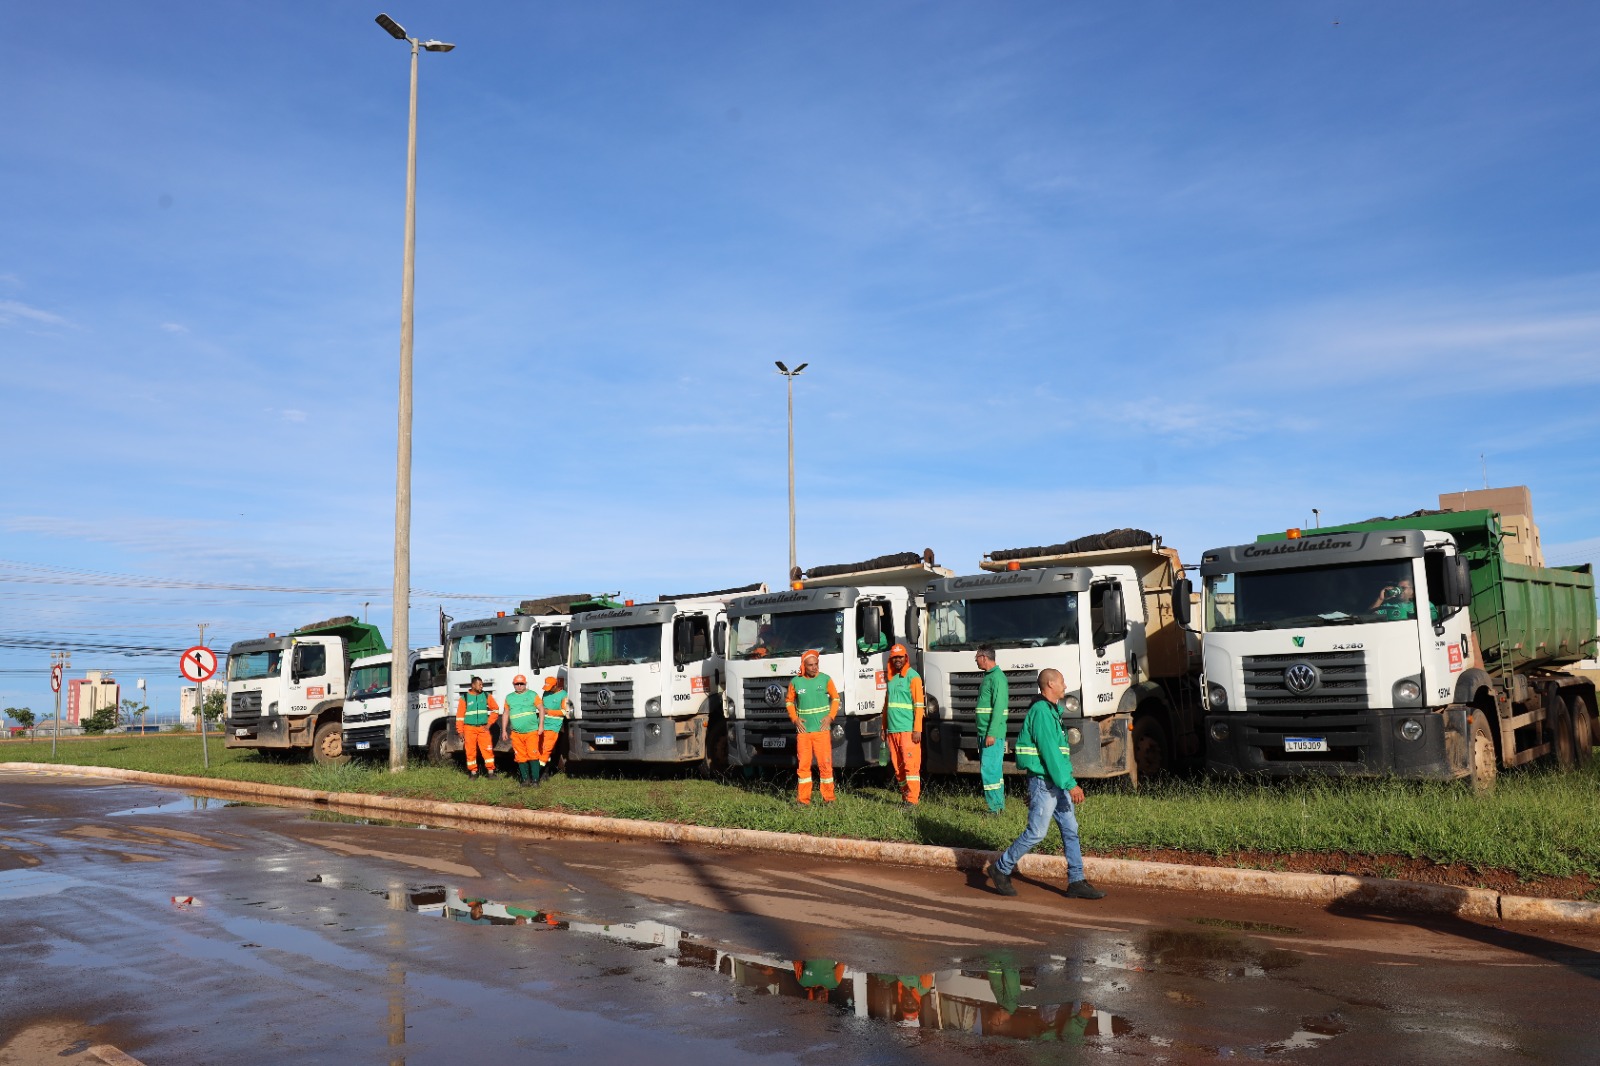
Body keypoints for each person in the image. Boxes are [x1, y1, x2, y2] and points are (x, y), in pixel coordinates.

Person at [986, 667, 1104, 900]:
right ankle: (1000, 868)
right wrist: (1070, 784)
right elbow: (1050, 754)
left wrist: (1065, 782)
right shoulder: (1041, 711)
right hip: (1045, 783)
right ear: (1050, 685)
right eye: (1061, 681)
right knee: (1037, 832)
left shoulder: (1051, 711)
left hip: (1053, 783)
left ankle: (1076, 881)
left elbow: (1058, 755)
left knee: (1071, 829)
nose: (1065, 685)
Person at [786, 649, 839, 804]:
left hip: (822, 732)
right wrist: (794, 719)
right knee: (803, 767)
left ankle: (829, 799)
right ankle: (803, 800)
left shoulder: (825, 679)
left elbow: (836, 699)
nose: (814, 667)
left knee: (825, 766)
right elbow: (789, 701)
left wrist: (830, 717)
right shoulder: (796, 682)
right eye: (810, 665)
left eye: (816, 664)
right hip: (803, 733)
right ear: (804, 665)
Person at [881, 643, 925, 804]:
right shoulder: (891, 679)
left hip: (908, 730)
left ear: (905, 658)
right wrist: (883, 727)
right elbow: (886, 705)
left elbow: (919, 705)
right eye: (894, 657)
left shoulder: (913, 677)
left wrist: (917, 729)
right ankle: (905, 797)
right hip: (892, 730)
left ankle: (912, 800)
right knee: (899, 769)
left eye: (900, 657)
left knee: (910, 767)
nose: (897, 660)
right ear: (891, 659)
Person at [974, 644, 1008, 814]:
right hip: (984, 731)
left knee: (989, 770)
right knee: (993, 769)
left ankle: (994, 808)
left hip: (990, 733)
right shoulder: (989, 676)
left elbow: (999, 707)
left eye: (977, 657)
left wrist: (992, 733)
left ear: (984, 658)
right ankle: (998, 805)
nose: (975, 660)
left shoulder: (997, 678)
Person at [455, 675, 500, 780]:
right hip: (469, 729)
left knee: (488, 750)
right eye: (479, 684)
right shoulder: (464, 698)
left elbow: (496, 710)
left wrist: (489, 724)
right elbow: (460, 716)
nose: (481, 686)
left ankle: (491, 773)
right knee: (470, 751)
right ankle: (473, 773)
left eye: (482, 684)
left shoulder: (486, 696)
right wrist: (460, 731)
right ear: (473, 685)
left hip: (483, 728)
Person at [503, 674, 542, 787]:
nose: (519, 686)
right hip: (516, 733)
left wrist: (541, 726)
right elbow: (506, 713)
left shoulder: (532, 695)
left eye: (522, 684)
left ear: (525, 684)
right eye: (517, 684)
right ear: (513, 684)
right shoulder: (509, 697)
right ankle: (525, 780)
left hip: (531, 732)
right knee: (520, 756)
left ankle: (535, 780)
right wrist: (504, 730)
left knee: (533, 755)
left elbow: (541, 709)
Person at [534, 676, 570, 784]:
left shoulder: (564, 695)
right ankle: (545, 773)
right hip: (540, 725)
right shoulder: (546, 693)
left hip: (553, 727)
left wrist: (548, 711)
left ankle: (536, 774)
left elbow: (565, 712)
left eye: (550, 687)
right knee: (539, 750)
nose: (547, 689)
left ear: (555, 686)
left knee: (546, 751)